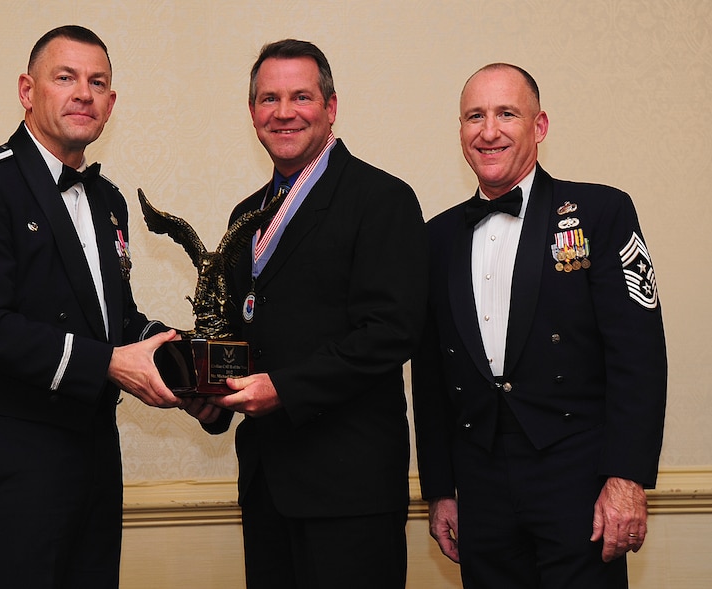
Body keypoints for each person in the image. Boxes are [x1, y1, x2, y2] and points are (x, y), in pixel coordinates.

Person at [0, 25, 183, 588]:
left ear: (111, 103)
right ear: (27, 89)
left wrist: (191, 370)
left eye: (97, 82)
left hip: (97, 458)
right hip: (18, 460)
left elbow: (119, 322)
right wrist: (107, 364)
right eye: (64, 77)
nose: (83, 93)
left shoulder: (107, 198)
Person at [412, 63, 667, 588]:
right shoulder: (435, 238)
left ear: (540, 126)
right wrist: (440, 489)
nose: (489, 131)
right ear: (460, 130)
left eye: (507, 114)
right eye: (474, 116)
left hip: (578, 480)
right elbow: (432, 373)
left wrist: (627, 478)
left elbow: (638, 355)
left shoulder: (600, 212)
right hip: (480, 487)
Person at [187, 39, 428, 588]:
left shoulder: (381, 198)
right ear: (252, 114)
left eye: (301, 96)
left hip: (350, 490)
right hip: (268, 484)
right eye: (269, 98)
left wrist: (284, 389)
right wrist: (210, 396)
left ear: (331, 107)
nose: (284, 111)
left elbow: (391, 332)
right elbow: (239, 331)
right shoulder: (245, 215)